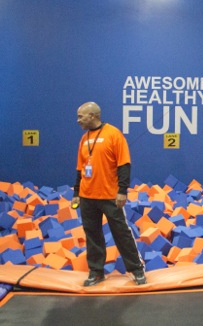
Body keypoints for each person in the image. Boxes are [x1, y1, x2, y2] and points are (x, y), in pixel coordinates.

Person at [71, 102, 147, 286]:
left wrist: (122, 191)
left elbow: (124, 164)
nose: (78, 120)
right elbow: (80, 168)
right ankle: (96, 272)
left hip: (110, 195)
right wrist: (76, 192)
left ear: (93, 115)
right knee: (92, 235)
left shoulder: (113, 134)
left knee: (121, 232)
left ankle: (136, 269)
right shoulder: (84, 139)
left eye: (81, 116)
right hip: (87, 196)